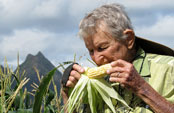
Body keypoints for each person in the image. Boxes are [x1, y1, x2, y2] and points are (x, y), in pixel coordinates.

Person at [61, 3, 174, 113]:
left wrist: (141, 87)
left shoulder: (169, 69)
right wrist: (68, 94)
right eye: (91, 51)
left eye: (102, 48)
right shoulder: (95, 84)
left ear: (128, 39)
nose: (96, 59)